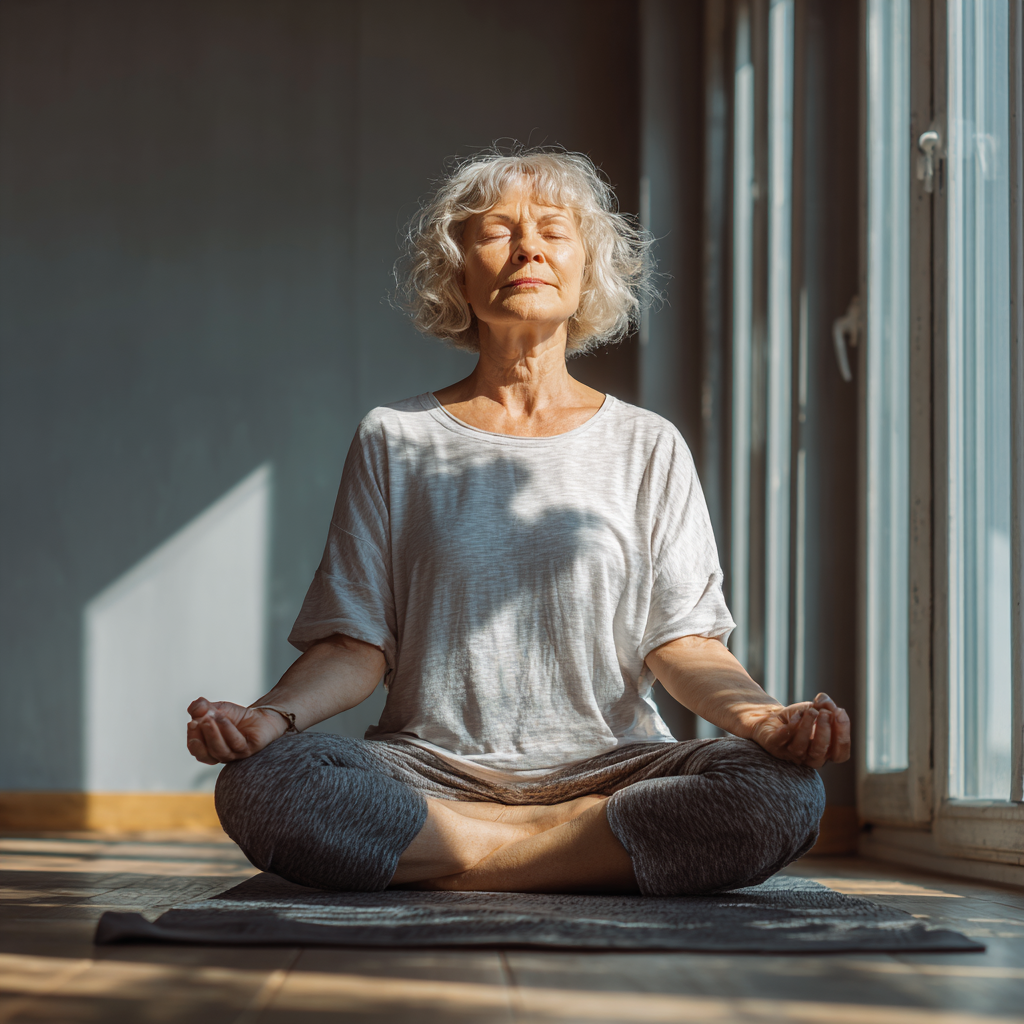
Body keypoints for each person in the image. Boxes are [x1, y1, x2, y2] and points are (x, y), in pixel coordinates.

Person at [186, 147, 848, 897]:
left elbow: (682, 641)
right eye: (498, 231)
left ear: (586, 268)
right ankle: (583, 852)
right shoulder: (394, 438)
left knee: (783, 793)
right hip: (430, 770)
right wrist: (267, 718)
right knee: (263, 784)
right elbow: (353, 643)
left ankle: (453, 859)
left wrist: (765, 721)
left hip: (616, 768)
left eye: (554, 231)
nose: (528, 246)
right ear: (458, 269)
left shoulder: (648, 443)